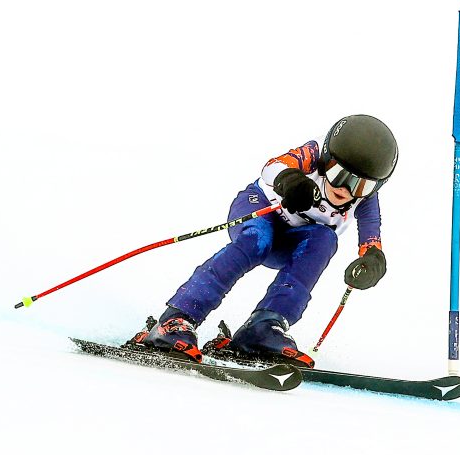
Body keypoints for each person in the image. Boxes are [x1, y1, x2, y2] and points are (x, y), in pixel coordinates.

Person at [130, 114, 398, 367]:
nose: (346, 189)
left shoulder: (365, 200)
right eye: (339, 174)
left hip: (292, 242)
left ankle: (263, 327)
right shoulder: (313, 154)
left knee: (325, 239)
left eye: (361, 186)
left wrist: (372, 262)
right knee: (257, 240)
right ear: (327, 159)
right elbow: (273, 167)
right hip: (259, 210)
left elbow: (371, 241)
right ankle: (178, 318)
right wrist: (290, 180)